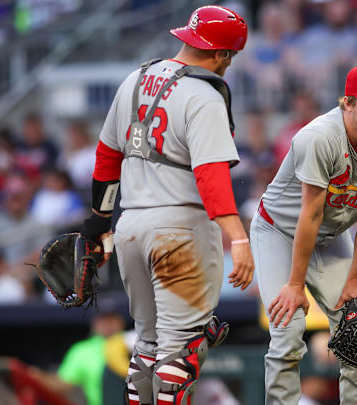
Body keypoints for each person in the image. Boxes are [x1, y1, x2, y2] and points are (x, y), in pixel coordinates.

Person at [78, 5, 254, 405]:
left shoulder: (133, 80)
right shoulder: (204, 96)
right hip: (181, 229)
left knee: (147, 345)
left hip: (130, 229)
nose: (229, 63)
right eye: (230, 55)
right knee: (180, 353)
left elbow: (106, 158)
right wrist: (238, 239)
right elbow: (211, 177)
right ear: (220, 54)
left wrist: (98, 224)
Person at [252, 63, 357, 404]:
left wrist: (356, 278)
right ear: (348, 103)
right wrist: (295, 285)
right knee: (288, 331)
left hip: (332, 235)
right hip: (280, 231)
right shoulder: (318, 137)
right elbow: (309, 214)